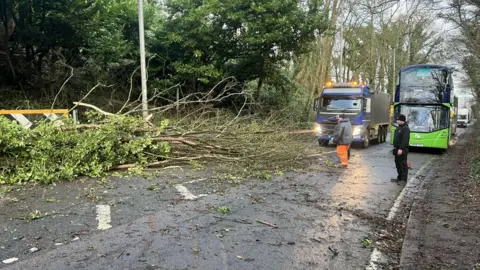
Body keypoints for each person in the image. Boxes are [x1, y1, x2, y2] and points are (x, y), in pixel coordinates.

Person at [392, 114, 410, 182]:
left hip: (402, 149)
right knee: (398, 164)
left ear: (402, 121)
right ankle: (399, 177)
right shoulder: (399, 128)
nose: (397, 121)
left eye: (398, 120)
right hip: (397, 149)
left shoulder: (405, 129)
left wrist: (401, 149)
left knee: (403, 164)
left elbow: (405, 140)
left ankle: (403, 179)